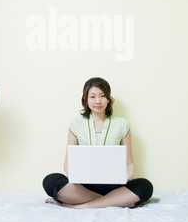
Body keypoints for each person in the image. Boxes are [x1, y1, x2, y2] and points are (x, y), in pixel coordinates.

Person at [43, 77, 153, 209]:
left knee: (145, 186)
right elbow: (68, 162)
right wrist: (74, 176)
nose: (98, 101)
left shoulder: (122, 124)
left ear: (108, 99)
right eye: (93, 96)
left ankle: (79, 206)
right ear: (85, 99)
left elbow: (129, 165)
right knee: (50, 181)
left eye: (102, 96)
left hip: (113, 186)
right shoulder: (76, 124)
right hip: (83, 186)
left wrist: (126, 177)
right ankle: (117, 201)